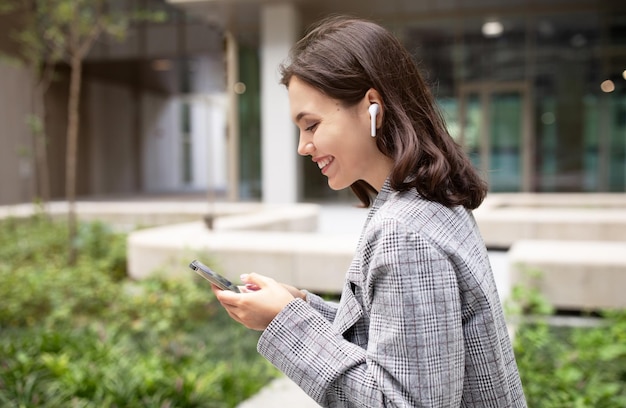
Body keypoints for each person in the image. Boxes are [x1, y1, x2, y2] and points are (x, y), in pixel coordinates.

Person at [212, 15, 527, 407]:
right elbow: (401, 346)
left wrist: (285, 322)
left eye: (311, 125)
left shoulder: (404, 232)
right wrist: (299, 308)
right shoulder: (430, 201)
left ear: (372, 107)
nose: (302, 146)